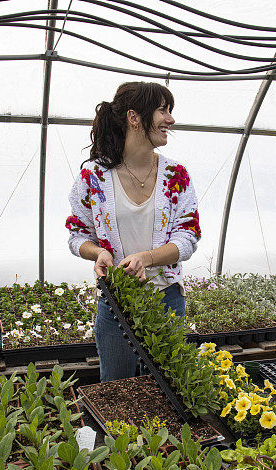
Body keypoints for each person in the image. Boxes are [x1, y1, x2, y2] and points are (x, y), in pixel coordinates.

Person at [65, 81, 201, 382]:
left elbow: (188, 237)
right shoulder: (94, 176)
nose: (170, 120)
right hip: (116, 301)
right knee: (116, 389)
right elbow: (77, 235)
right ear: (134, 117)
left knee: (169, 390)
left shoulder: (175, 175)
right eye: (162, 111)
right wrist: (99, 252)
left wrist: (147, 258)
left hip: (166, 299)